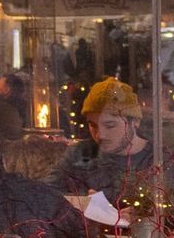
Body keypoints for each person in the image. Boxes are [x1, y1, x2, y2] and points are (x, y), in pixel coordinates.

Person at [52, 78, 154, 206]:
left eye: (110, 125)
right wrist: (85, 202)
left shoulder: (159, 159)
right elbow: (45, 194)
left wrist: (141, 213)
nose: (100, 135)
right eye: (93, 125)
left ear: (135, 122)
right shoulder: (79, 153)